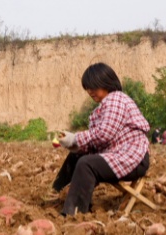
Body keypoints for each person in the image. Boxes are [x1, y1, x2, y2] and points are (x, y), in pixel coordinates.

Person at [53, 62, 150, 216]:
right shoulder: (102, 107)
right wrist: (74, 145)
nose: (90, 92)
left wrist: (75, 138)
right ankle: (59, 194)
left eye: (94, 87)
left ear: (106, 83)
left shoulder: (115, 99)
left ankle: (73, 213)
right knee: (77, 156)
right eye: (88, 88)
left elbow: (104, 134)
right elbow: (97, 142)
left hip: (132, 158)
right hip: (119, 154)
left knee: (86, 164)